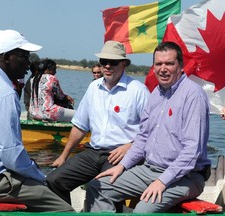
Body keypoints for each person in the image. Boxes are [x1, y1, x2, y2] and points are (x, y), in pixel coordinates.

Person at [0, 29, 74, 212]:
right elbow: (11, 155)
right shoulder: (3, 91)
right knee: (65, 211)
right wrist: (37, 174)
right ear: (7, 57)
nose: (29, 64)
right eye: (24, 56)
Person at [85, 41, 211, 213]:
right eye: (158, 64)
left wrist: (162, 181)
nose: (163, 68)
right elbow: (142, 138)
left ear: (181, 66)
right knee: (97, 187)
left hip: (185, 176)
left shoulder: (193, 95)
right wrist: (122, 166)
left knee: (142, 210)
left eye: (169, 63)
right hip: (148, 170)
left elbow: (191, 151)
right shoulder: (155, 94)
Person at [46, 40, 150, 205]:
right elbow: (80, 126)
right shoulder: (93, 87)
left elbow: (151, 132)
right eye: (104, 62)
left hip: (119, 155)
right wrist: (63, 156)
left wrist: (129, 147)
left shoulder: (138, 91)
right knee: (54, 180)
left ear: (124, 64)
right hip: (93, 153)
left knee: (102, 188)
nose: (107, 66)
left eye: (113, 62)